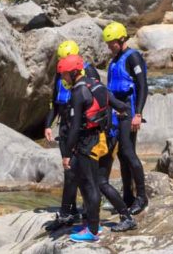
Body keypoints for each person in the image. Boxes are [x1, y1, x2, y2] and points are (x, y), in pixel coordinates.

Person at [57, 54, 137, 243]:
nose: (62, 78)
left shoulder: (78, 92)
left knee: (91, 185)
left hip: (87, 143)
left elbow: (75, 127)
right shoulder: (95, 84)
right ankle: (106, 220)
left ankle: (93, 230)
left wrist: (67, 154)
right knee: (95, 182)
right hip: (102, 139)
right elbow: (121, 106)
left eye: (64, 75)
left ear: (73, 72)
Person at [43, 40, 102, 232]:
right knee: (70, 172)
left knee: (81, 174)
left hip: (82, 130)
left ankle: (81, 214)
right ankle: (69, 212)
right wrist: (48, 125)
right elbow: (55, 102)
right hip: (67, 127)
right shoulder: (62, 74)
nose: (64, 65)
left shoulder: (88, 74)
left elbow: (97, 100)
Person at [103, 22, 150, 215]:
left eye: (112, 42)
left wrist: (138, 114)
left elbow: (143, 86)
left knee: (129, 153)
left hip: (129, 110)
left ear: (121, 39)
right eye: (108, 43)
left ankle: (141, 197)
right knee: (121, 155)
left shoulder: (133, 58)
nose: (109, 46)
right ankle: (128, 196)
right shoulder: (114, 60)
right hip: (115, 111)